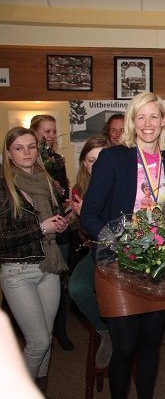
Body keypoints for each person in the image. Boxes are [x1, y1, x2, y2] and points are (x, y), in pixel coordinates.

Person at [80, 92, 165, 399]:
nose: (148, 124)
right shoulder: (114, 158)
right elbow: (89, 215)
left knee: (151, 342)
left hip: (158, 264)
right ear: (132, 123)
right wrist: (120, 242)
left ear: (163, 121)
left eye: (154, 116)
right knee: (125, 346)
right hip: (116, 263)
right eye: (141, 117)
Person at [0, 126, 72, 394]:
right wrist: (42, 228)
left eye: (31, 146)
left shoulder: (44, 181)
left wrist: (61, 223)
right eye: (19, 148)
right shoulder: (4, 186)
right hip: (18, 272)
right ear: (8, 154)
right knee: (38, 342)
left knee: (47, 338)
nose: (26, 152)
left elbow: (50, 220)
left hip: (48, 267)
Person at [67, 135, 112, 369]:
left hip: (119, 251)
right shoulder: (80, 188)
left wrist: (90, 215)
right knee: (77, 288)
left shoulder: (119, 182)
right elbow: (85, 235)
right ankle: (105, 332)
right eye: (92, 159)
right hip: (94, 251)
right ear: (84, 162)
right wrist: (80, 217)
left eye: (103, 158)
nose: (98, 165)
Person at [30, 114, 74, 351]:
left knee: (57, 285)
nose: (51, 136)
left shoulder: (56, 159)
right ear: (34, 132)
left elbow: (61, 192)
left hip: (58, 230)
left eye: (53, 131)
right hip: (34, 232)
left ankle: (59, 330)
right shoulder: (27, 161)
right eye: (46, 131)